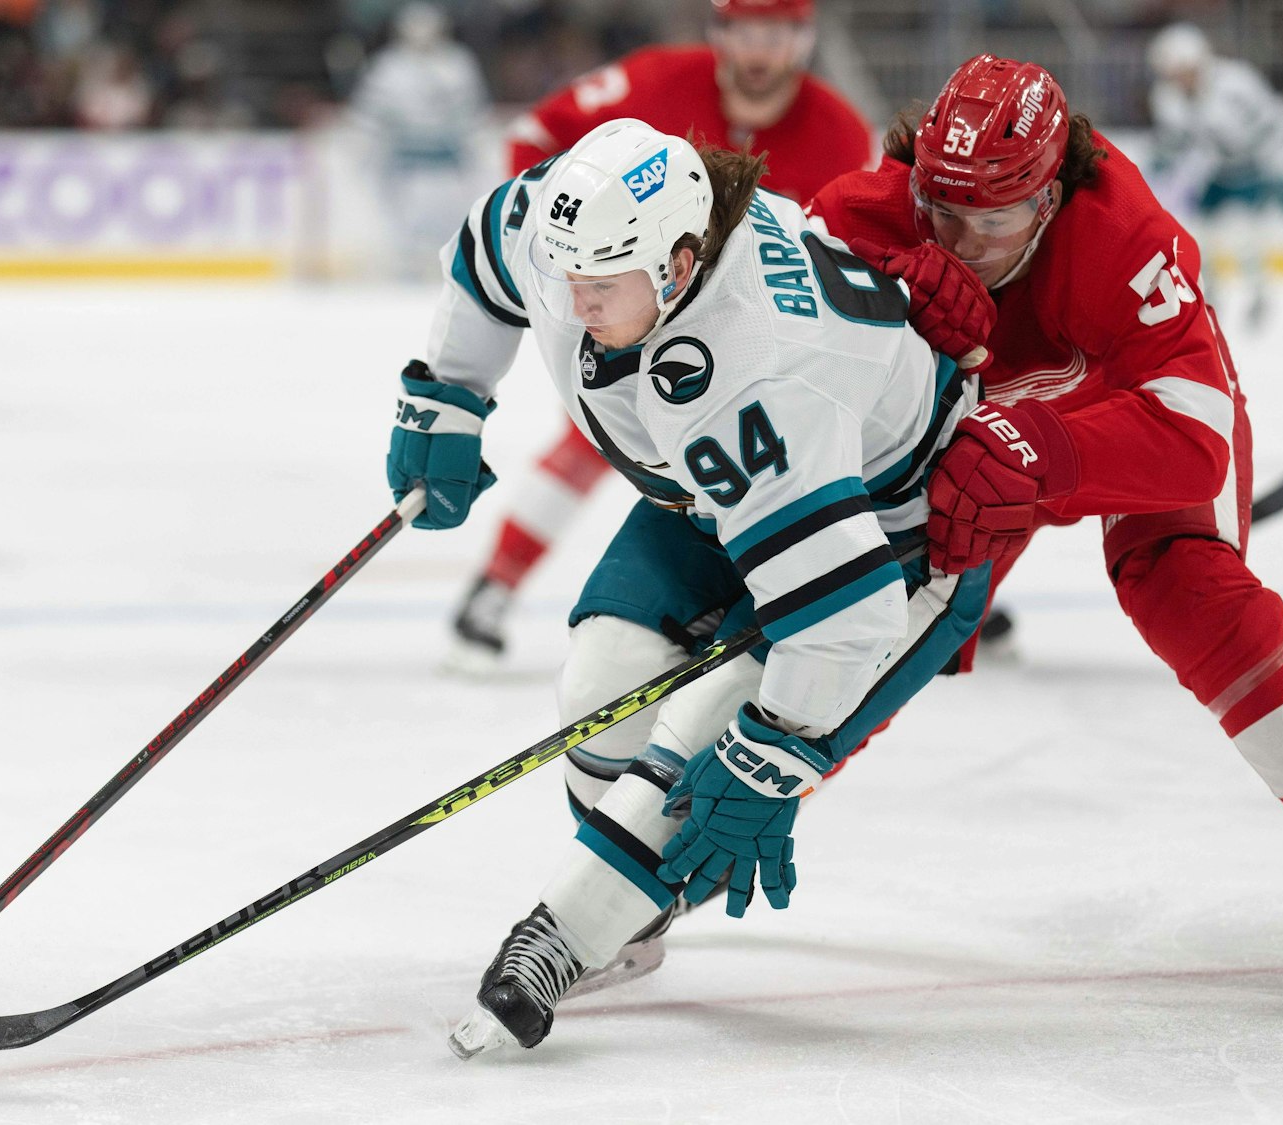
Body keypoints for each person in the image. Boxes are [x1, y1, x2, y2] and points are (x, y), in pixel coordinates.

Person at [811, 55, 1283, 1014]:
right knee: (876, 614)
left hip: (1119, 411)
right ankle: (691, 842)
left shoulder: (1121, 237)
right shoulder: (859, 216)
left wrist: (1041, 454)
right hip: (980, 426)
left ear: (1052, 196)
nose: (962, 244)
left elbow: (1194, 438)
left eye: (992, 222)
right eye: (942, 214)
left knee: (1180, 580)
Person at [384, 116, 989, 1056]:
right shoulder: (578, 230)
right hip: (718, 495)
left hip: (891, 536)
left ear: (676, 264)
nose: (575, 299)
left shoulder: (755, 369)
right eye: (566, 274)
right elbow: (486, 242)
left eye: (602, 284)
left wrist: (774, 753)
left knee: (704, 755)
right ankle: (633, 909)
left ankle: (567, 935)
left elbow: (845, 615)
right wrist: (450, 396)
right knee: (599, 685)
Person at [447, 0, 877, 669]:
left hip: (745, 344)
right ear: (718, 32)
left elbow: (842, 263)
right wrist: (564, 262)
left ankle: (902, 565)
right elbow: (538, 134)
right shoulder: (655, 82)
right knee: (589, 444)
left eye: (780, 33)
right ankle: (495, 585)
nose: (761, 53)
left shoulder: (841, 133)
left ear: (806, 38)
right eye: (745, 31)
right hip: (635, 307)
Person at [1146, 24, 1283, 328]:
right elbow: (1176, 141)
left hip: (1252, 169)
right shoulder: (1167, 97)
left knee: (1243, 236)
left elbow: (1275, 121)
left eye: (1180, 70)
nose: (1177, 79)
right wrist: (1164, 157)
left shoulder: (1237, 83)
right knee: (1199, 236)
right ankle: (1210, 292)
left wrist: (1273, 165)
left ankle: (1258, 294)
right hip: (1214, 172)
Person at [350, 3, 490, 280]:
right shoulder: (388, 66)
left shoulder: (458, 63)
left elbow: (474, 112)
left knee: (452, 225)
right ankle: (406, 273)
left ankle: (453, 273)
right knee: (406, 228)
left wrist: (473, 149)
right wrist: (366, 145)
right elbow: (369, 113)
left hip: (447, 164)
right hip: (406, 166)